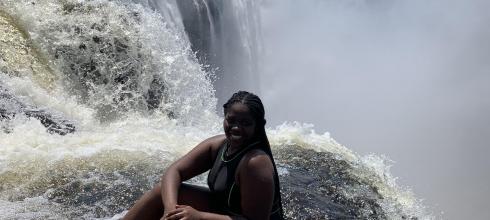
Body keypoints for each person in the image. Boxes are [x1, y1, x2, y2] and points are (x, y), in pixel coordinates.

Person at [124, 91, 284, 220]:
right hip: (222, 211)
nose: (236, 128)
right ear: (224, 117)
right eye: (231, 120)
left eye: (245, 123)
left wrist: (199, 216)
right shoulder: (218, 145)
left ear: (258, 126)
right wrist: (170, 209)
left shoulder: (255, 163)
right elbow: (174, 171)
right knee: (163, 192)